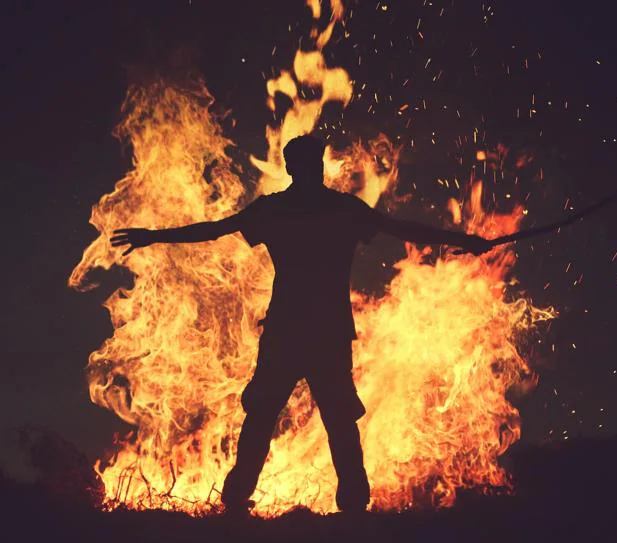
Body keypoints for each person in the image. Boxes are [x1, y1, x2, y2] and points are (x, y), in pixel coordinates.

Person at [111, 135, 492, 515]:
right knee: (332, 419)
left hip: (289, 331)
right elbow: (403, 229)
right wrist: (462, 240)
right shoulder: (341, 209)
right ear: (311, 165)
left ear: (293, 167)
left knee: (271, 415)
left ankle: (240, 499)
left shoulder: (277, 210)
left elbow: (214, 230)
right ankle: (349, 504)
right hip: (323, 331)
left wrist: (153, 237)